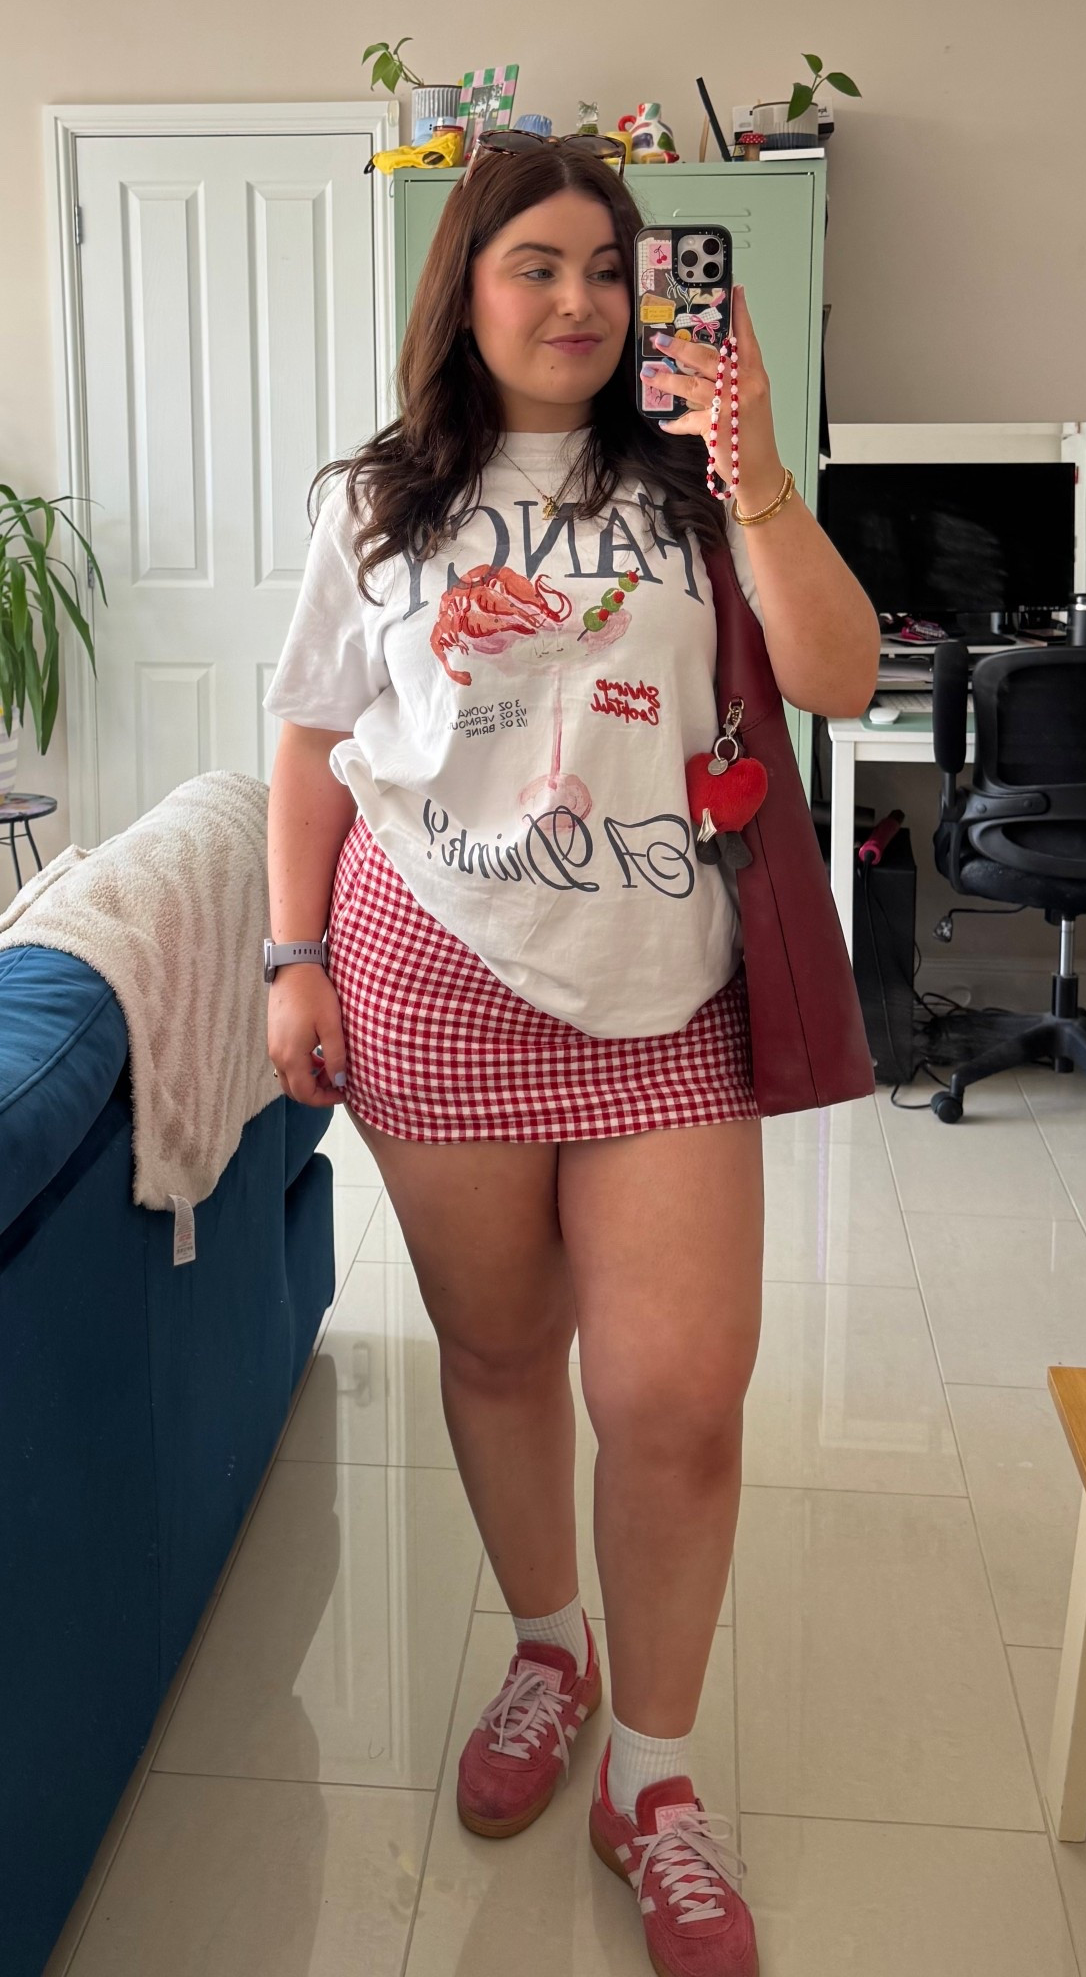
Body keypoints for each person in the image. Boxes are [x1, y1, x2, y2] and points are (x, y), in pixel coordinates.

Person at [264, 140, 878, 1977]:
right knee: (500, 1350)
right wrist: (295, 957)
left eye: (610, 268)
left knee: (677, 1401)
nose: (583, 300)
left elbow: (842, 679)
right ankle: (551, 1651)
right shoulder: (379, 499)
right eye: (536, 263)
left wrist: (755, 468)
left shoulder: (697, 486)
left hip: (660, 988)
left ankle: (655, 1782)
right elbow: (309, 730)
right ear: (465, 287)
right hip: (430, 975)